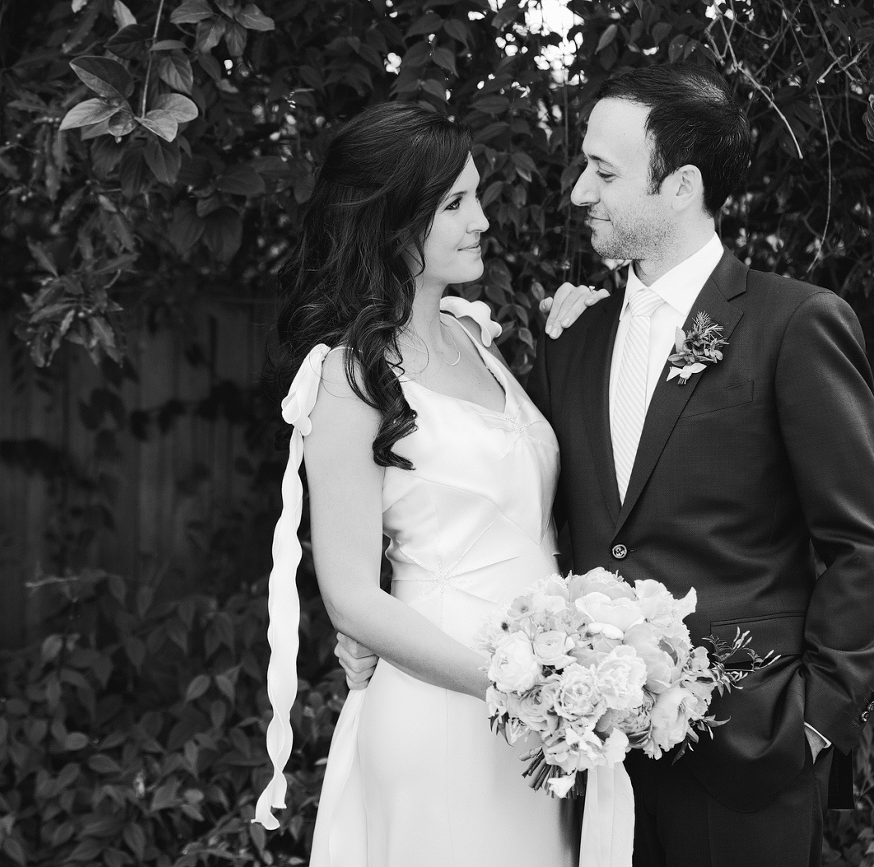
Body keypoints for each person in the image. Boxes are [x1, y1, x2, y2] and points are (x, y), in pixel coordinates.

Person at [340, 64, 874, 867]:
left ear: (678, 187)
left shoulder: (795, 325)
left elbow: (867, 543)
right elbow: (517, 508)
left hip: (749, 758)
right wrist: (379, 607)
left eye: (603, 172)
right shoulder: (574, 337)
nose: (577, 191)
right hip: (588, 766)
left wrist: (812, 722)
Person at [253, 101, 585, 866]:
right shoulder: (347, 379)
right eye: (455, 204)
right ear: (394, 222)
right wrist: (507, 688)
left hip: (546, 714)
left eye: (475, 196)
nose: (481, 221)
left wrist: (565, 687)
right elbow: (351, 594)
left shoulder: (477, 337)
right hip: (446, 706)